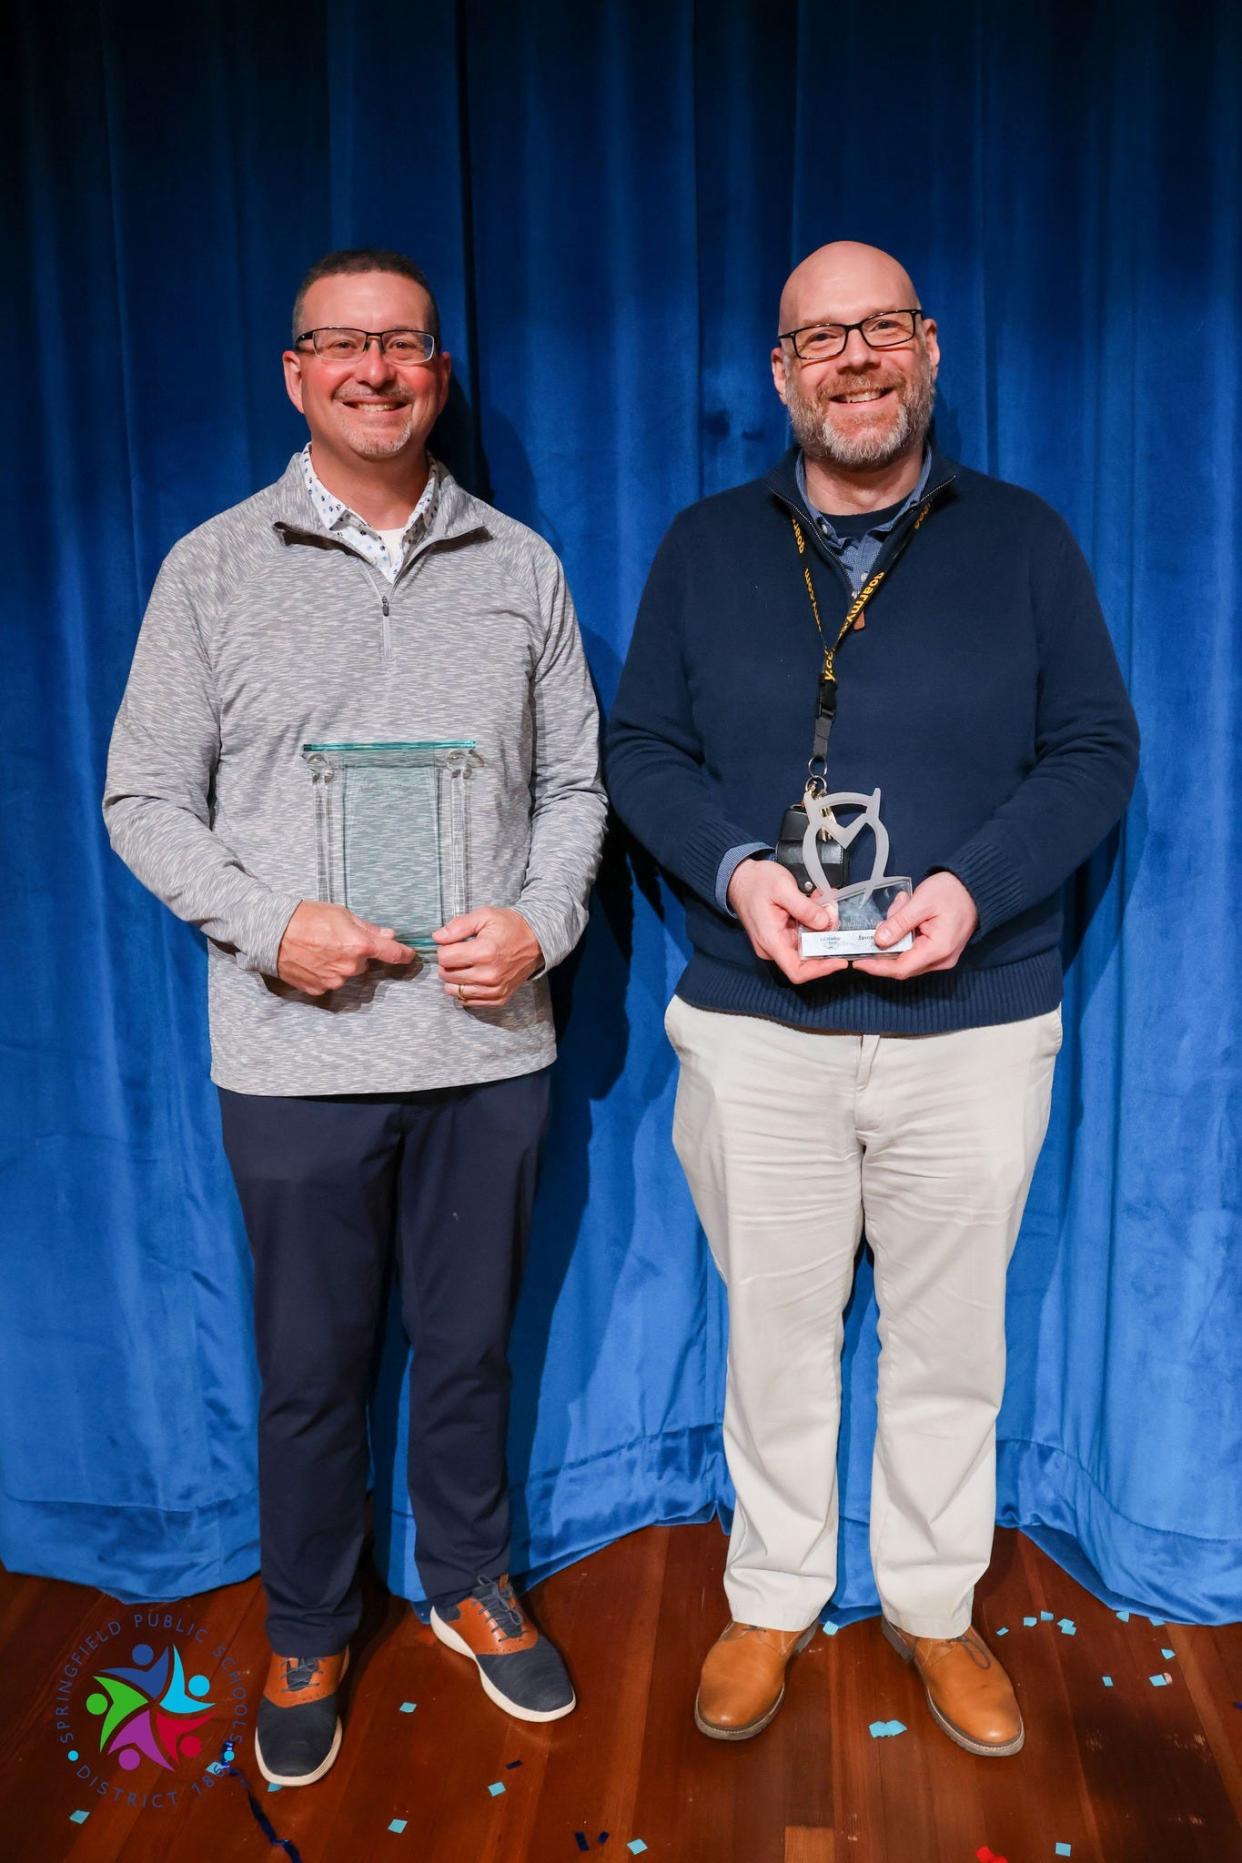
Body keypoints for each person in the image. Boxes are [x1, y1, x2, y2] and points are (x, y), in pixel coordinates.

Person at [606, 241, 1139, 1756]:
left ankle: (930, 1605)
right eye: (818, 338)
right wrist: (729, 871)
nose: (853, 360)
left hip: (972, 1029)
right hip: (753, 1026)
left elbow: (1094, 751)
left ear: (928, 348)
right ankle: (770, 1596)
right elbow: (641, 749)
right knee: (769, 1334)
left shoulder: (1025, 541)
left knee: (948, 1341)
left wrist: (972, 890)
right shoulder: (704, 546)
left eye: (880, 329)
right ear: (780, 374)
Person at [104, 248, 606, 1786]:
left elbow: (579, 787)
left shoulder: (519, 564)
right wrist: (270, 925)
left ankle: (464, 1581)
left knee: (467, 1350)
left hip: (486, 1049)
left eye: (405, 345)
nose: (376, 370)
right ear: (295, 372)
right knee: (312, 1369)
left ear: (438, 373)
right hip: (294, 1058)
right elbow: (139, 798)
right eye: (343, 345)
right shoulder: (210, 566)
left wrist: (543, 919)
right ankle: (310, 1623)